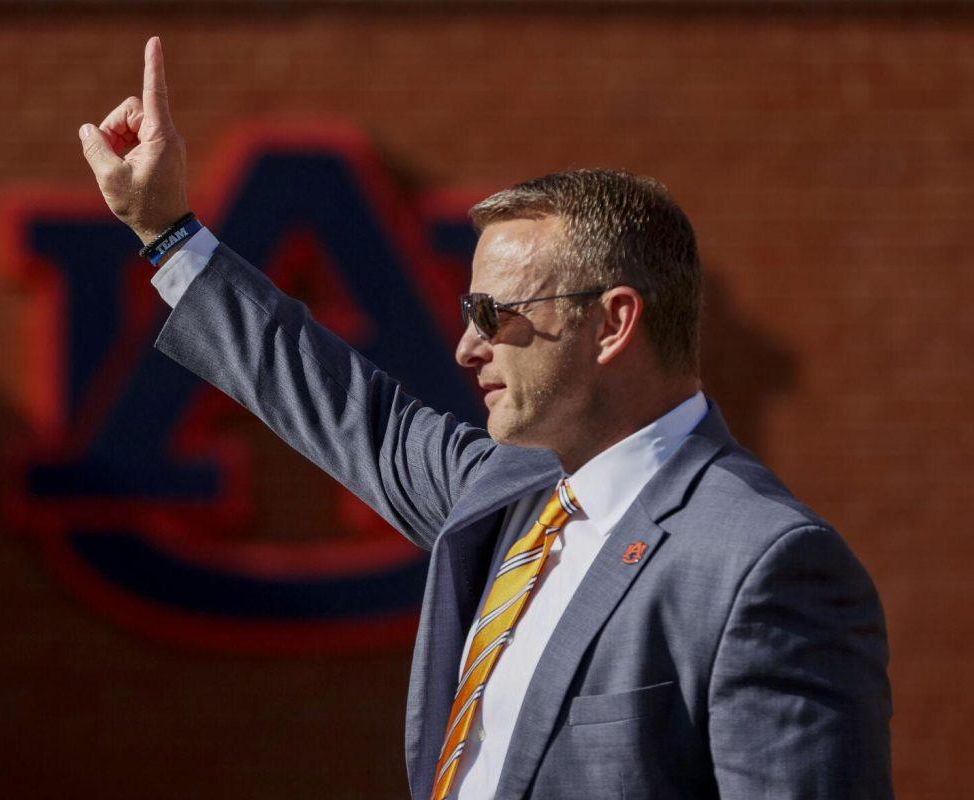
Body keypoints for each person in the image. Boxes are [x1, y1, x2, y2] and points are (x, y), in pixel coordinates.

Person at [78, 37, 892, 800]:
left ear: (612, 323)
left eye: (495, 313)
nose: (468, 346)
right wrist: (166, 232)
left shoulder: (764, 565)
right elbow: (329, 397)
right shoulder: (509, 494)